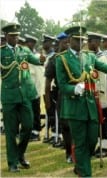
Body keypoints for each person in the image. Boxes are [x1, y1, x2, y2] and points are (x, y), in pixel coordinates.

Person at [55, 26, 107, 177]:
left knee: (92, 140)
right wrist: (73, 89)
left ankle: (80, 165)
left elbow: (101, 66)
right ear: (69, 40)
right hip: (75, 106)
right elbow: (62, 85)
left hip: (91, 105)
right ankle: (85, 173)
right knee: (81, 142)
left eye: (83, 40)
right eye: (77, 40)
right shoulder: (62, 58)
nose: (80, 43)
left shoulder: (89, 55)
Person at [1, 23, 45, 172]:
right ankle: (12, 163)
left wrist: (42, 59)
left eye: (17, 36)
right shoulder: (1, 52)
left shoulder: (24, 51)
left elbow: (36, 61)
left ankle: (19, 154)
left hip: (25, 95)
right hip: (9, 96)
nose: (15, 38)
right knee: (11, 131)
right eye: (12, 36)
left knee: (28, 126)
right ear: (6, 36)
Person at [45, 31, 73, 163]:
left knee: (77, 125)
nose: (67, 44)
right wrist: (47, 100)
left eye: (69, 41)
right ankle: (69, 153)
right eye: (64, 42)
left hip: (77, 94)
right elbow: (48, 82)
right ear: (59, 43)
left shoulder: (76, 57)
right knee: (66, 126)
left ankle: (78, 152)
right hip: (62, 96)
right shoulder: (54, 59)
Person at [87, 31, 107, 158]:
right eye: (91, 41)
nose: (93, 44)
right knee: (94, 121)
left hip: (101, 93)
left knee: (104, 121)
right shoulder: (87, 56)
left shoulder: (102, 57)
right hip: (89, 93)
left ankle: (105, 147)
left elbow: (104, 77)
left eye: (96, 42)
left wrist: (101, 90)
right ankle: (96, 144)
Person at [24, 34, 44, 142]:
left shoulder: (36, 57)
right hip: (26, 88)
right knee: (28, 111)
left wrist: (38, 90)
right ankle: (30, 131)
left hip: (35, 88)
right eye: (26, 43)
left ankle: (36, 132)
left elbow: (39, 74)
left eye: (30, 43)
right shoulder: (24, 55)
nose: (27, 45)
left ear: (33, 44)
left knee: (35, 111)